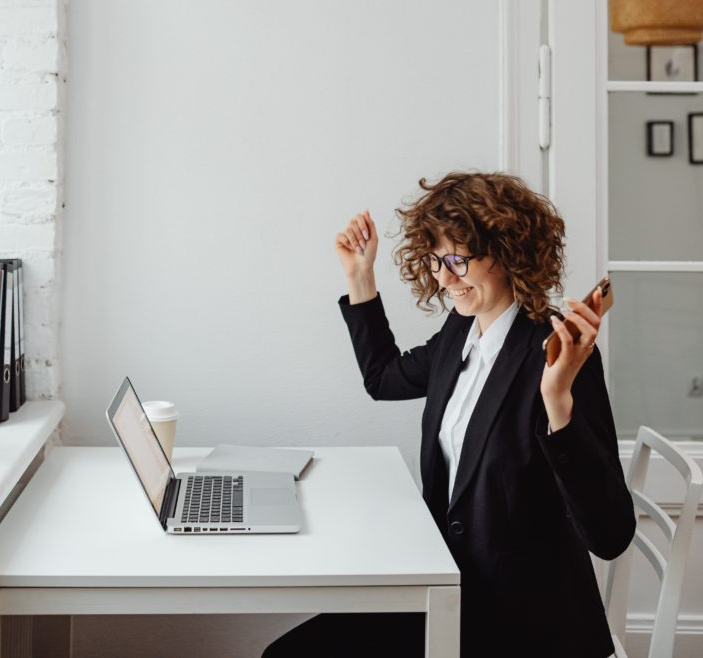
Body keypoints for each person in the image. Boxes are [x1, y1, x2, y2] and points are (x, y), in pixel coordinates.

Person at [262, 171, 636, 658]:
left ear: (506, 251)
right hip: (446, 584)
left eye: (458, 259)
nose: (443, 277)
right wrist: (360, 275)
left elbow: (609, 534)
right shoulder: (461, 333)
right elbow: (383, 378)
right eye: (437, 260)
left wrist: (558, 398)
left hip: (516, 620)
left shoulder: (557, 355)